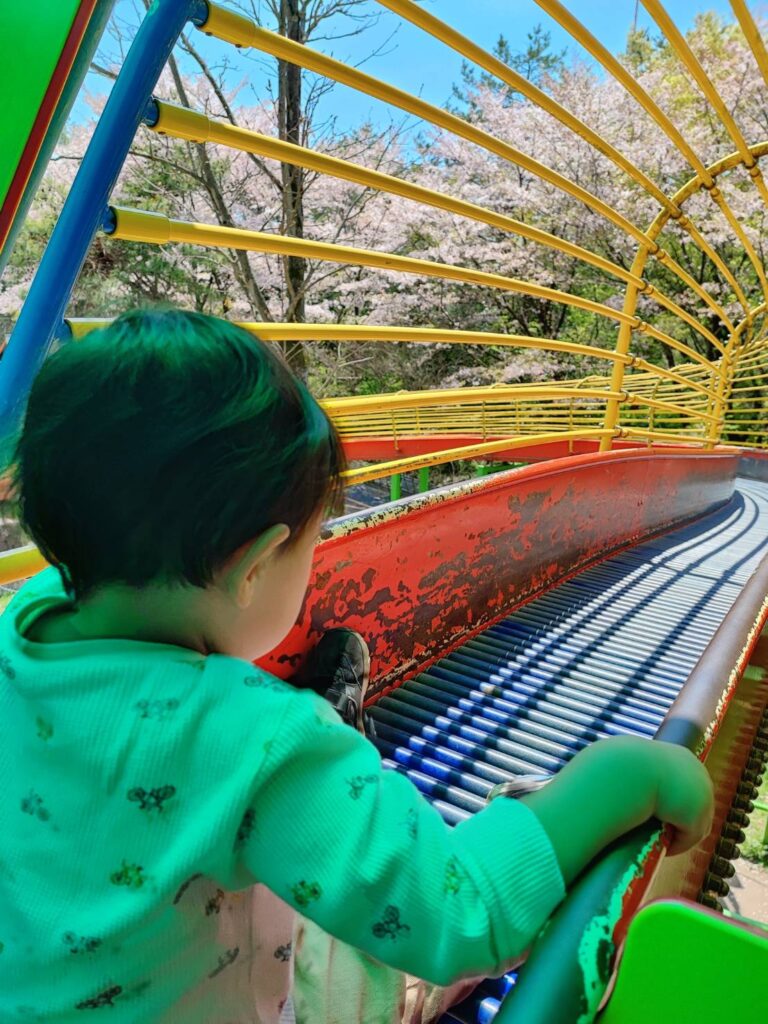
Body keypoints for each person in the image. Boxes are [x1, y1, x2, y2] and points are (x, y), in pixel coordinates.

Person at [0, 310, 714, 1023]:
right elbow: (457, 914)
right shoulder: (255, 738)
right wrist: (624, 776)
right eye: (310, 550)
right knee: (363, 954)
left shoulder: (22, 625)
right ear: (252, 570)